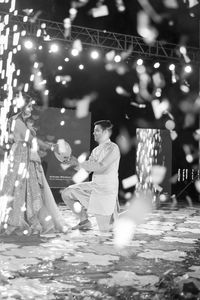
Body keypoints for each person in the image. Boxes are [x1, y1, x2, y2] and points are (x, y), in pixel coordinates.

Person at [0, 99, 67, 235]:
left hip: (26, 157)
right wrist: (52, 147)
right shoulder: (16, 122)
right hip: (21, 158)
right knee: (19, 190)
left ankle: (22, 219)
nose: (31, 109)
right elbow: (32, 141)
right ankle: (16, 222)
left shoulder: (21, 121)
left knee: (26, 190)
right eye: (29, 106)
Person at [61, 120, 120, 232]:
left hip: (106, 191)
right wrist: (72, 164)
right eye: (94, 131)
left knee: (106, 231)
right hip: (95, 187)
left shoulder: (113, 148)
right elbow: (87, 170)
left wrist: (78, 162)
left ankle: (113, 217)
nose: (94, 133)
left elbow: (101, 166)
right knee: (66, 193)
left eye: (97, 131)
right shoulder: (96, 150)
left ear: (106, 132)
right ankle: (84, 221)